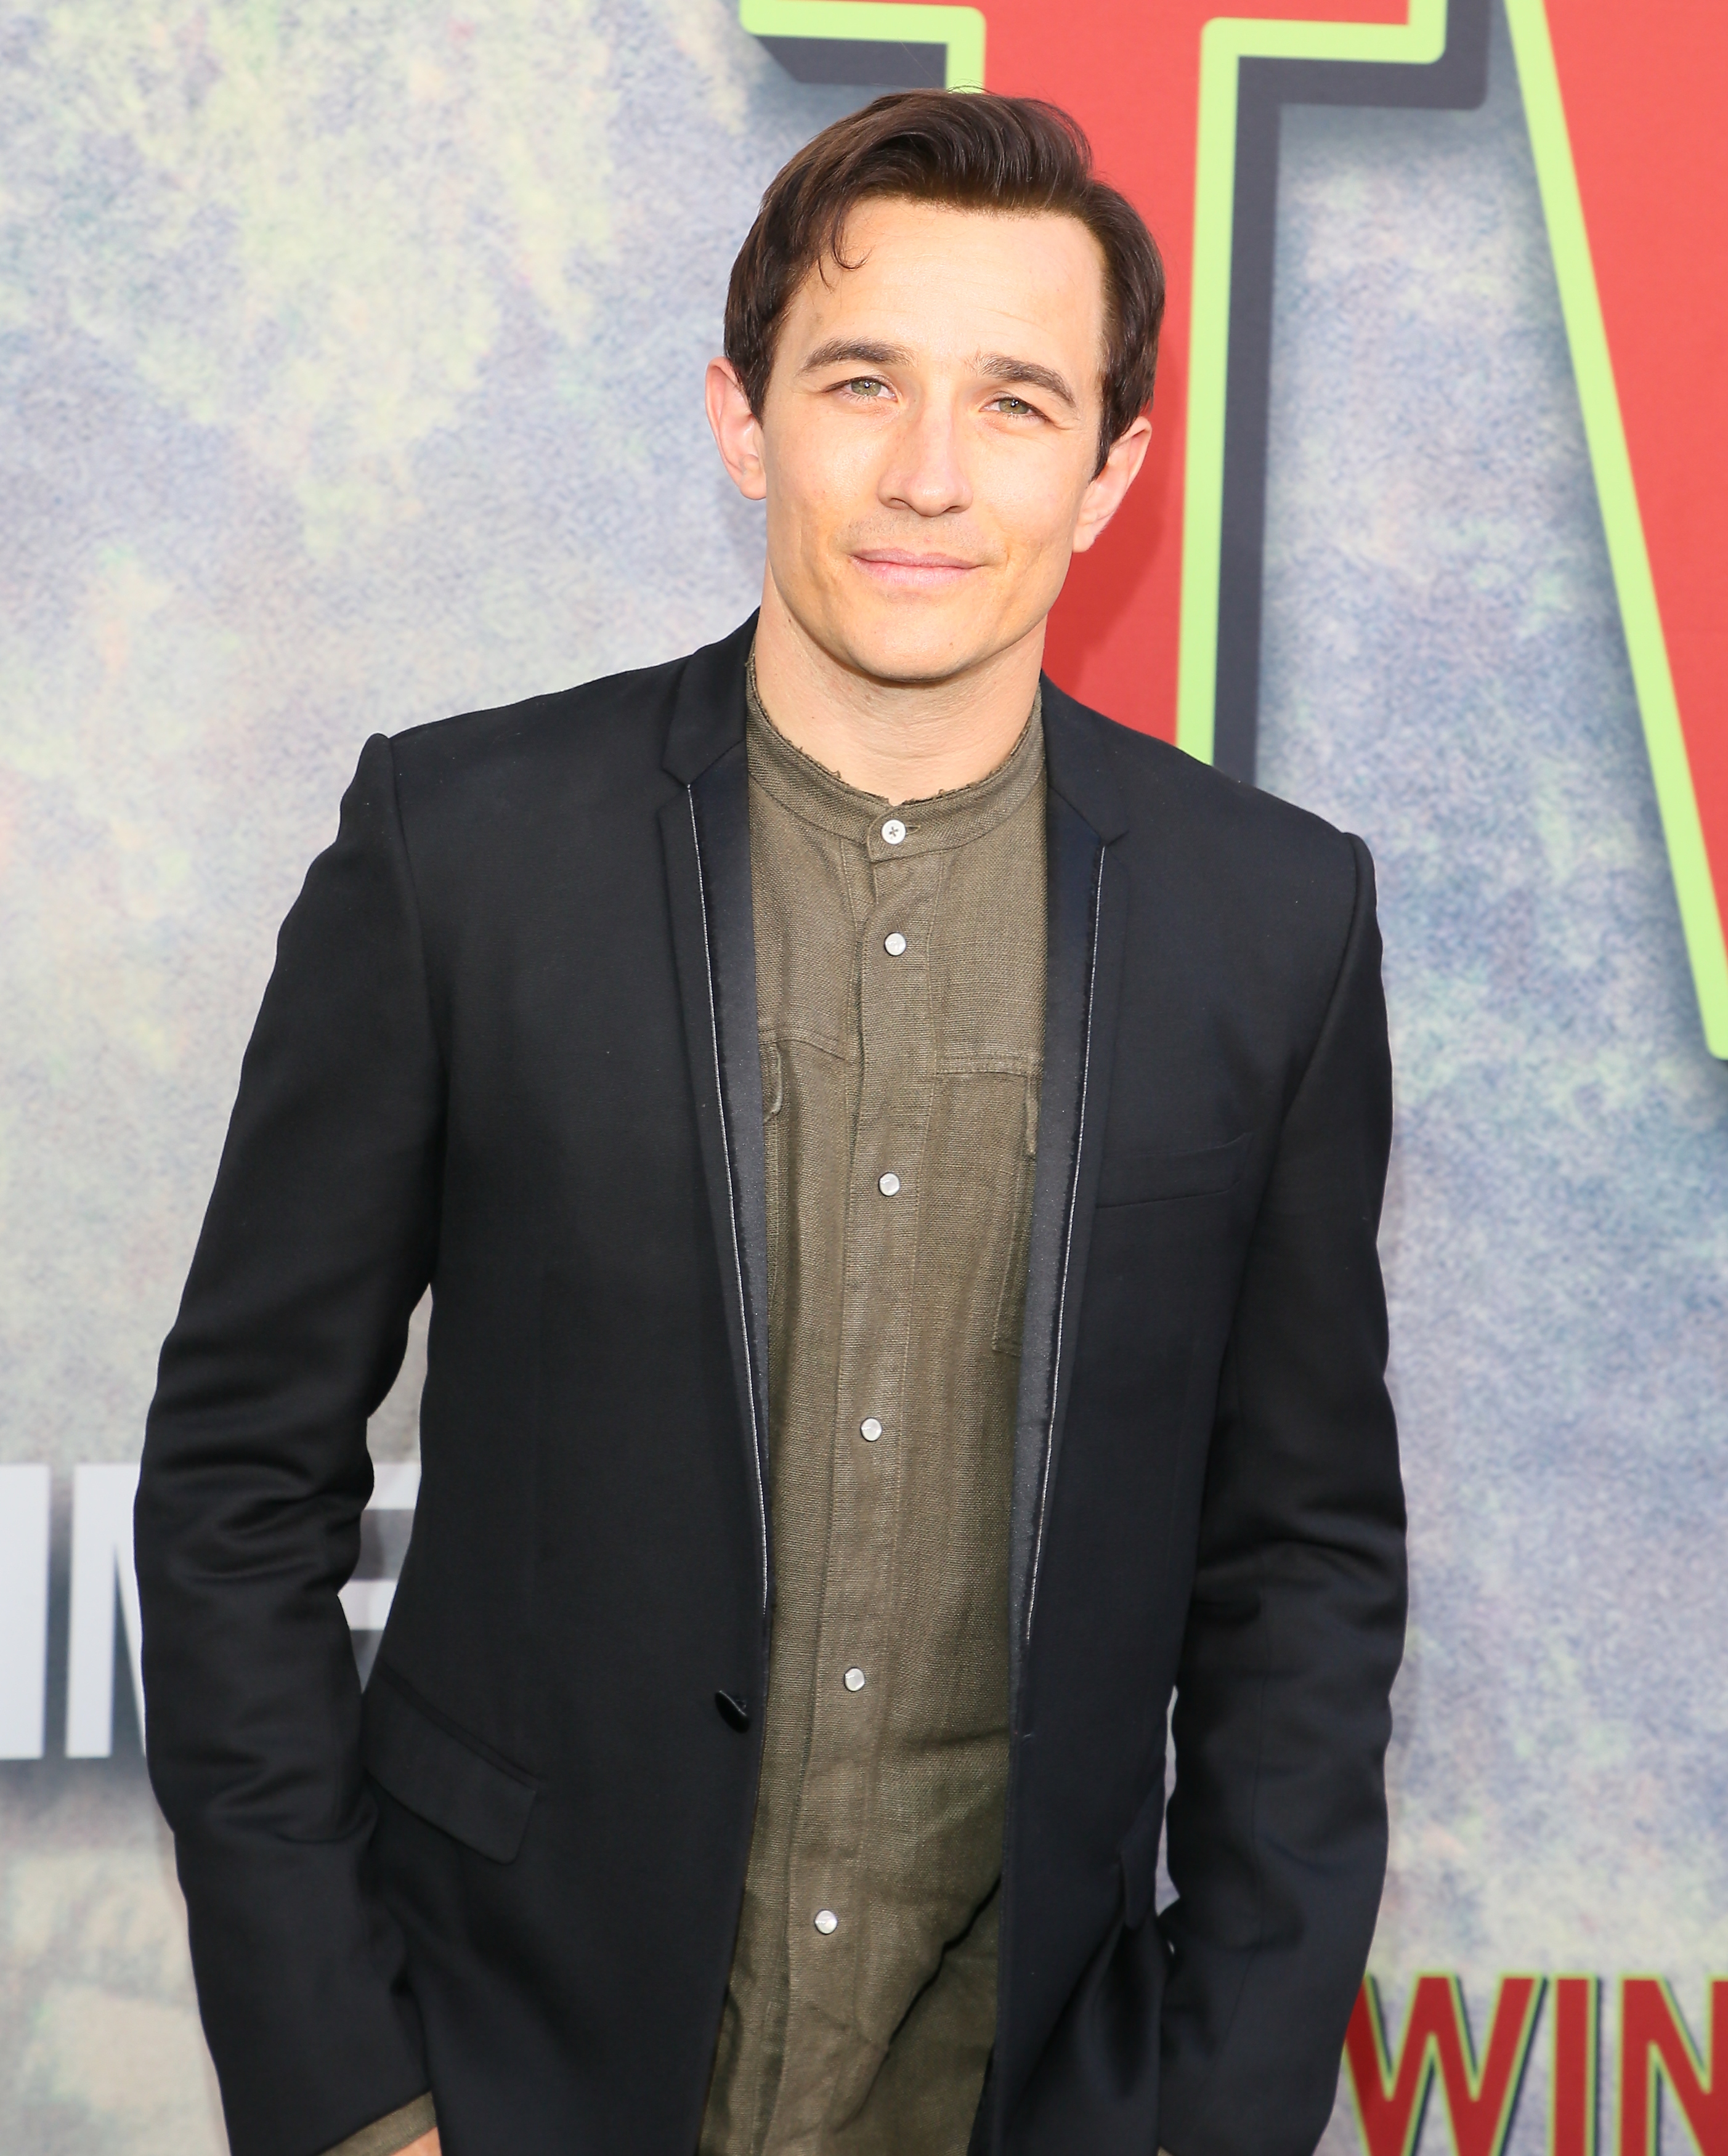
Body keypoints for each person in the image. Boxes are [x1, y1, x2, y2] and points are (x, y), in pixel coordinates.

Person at [135, 90, 1405, 2156]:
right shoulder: (458, 852)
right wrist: (349, 2088)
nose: (928, 473)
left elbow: (1304, 1567)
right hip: (503, 2075)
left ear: (1113, 472)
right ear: (742, 420)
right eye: (859, 380)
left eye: (1015, 401)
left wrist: (1215, 2106)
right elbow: (233, 1485)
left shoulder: (1274, 922)